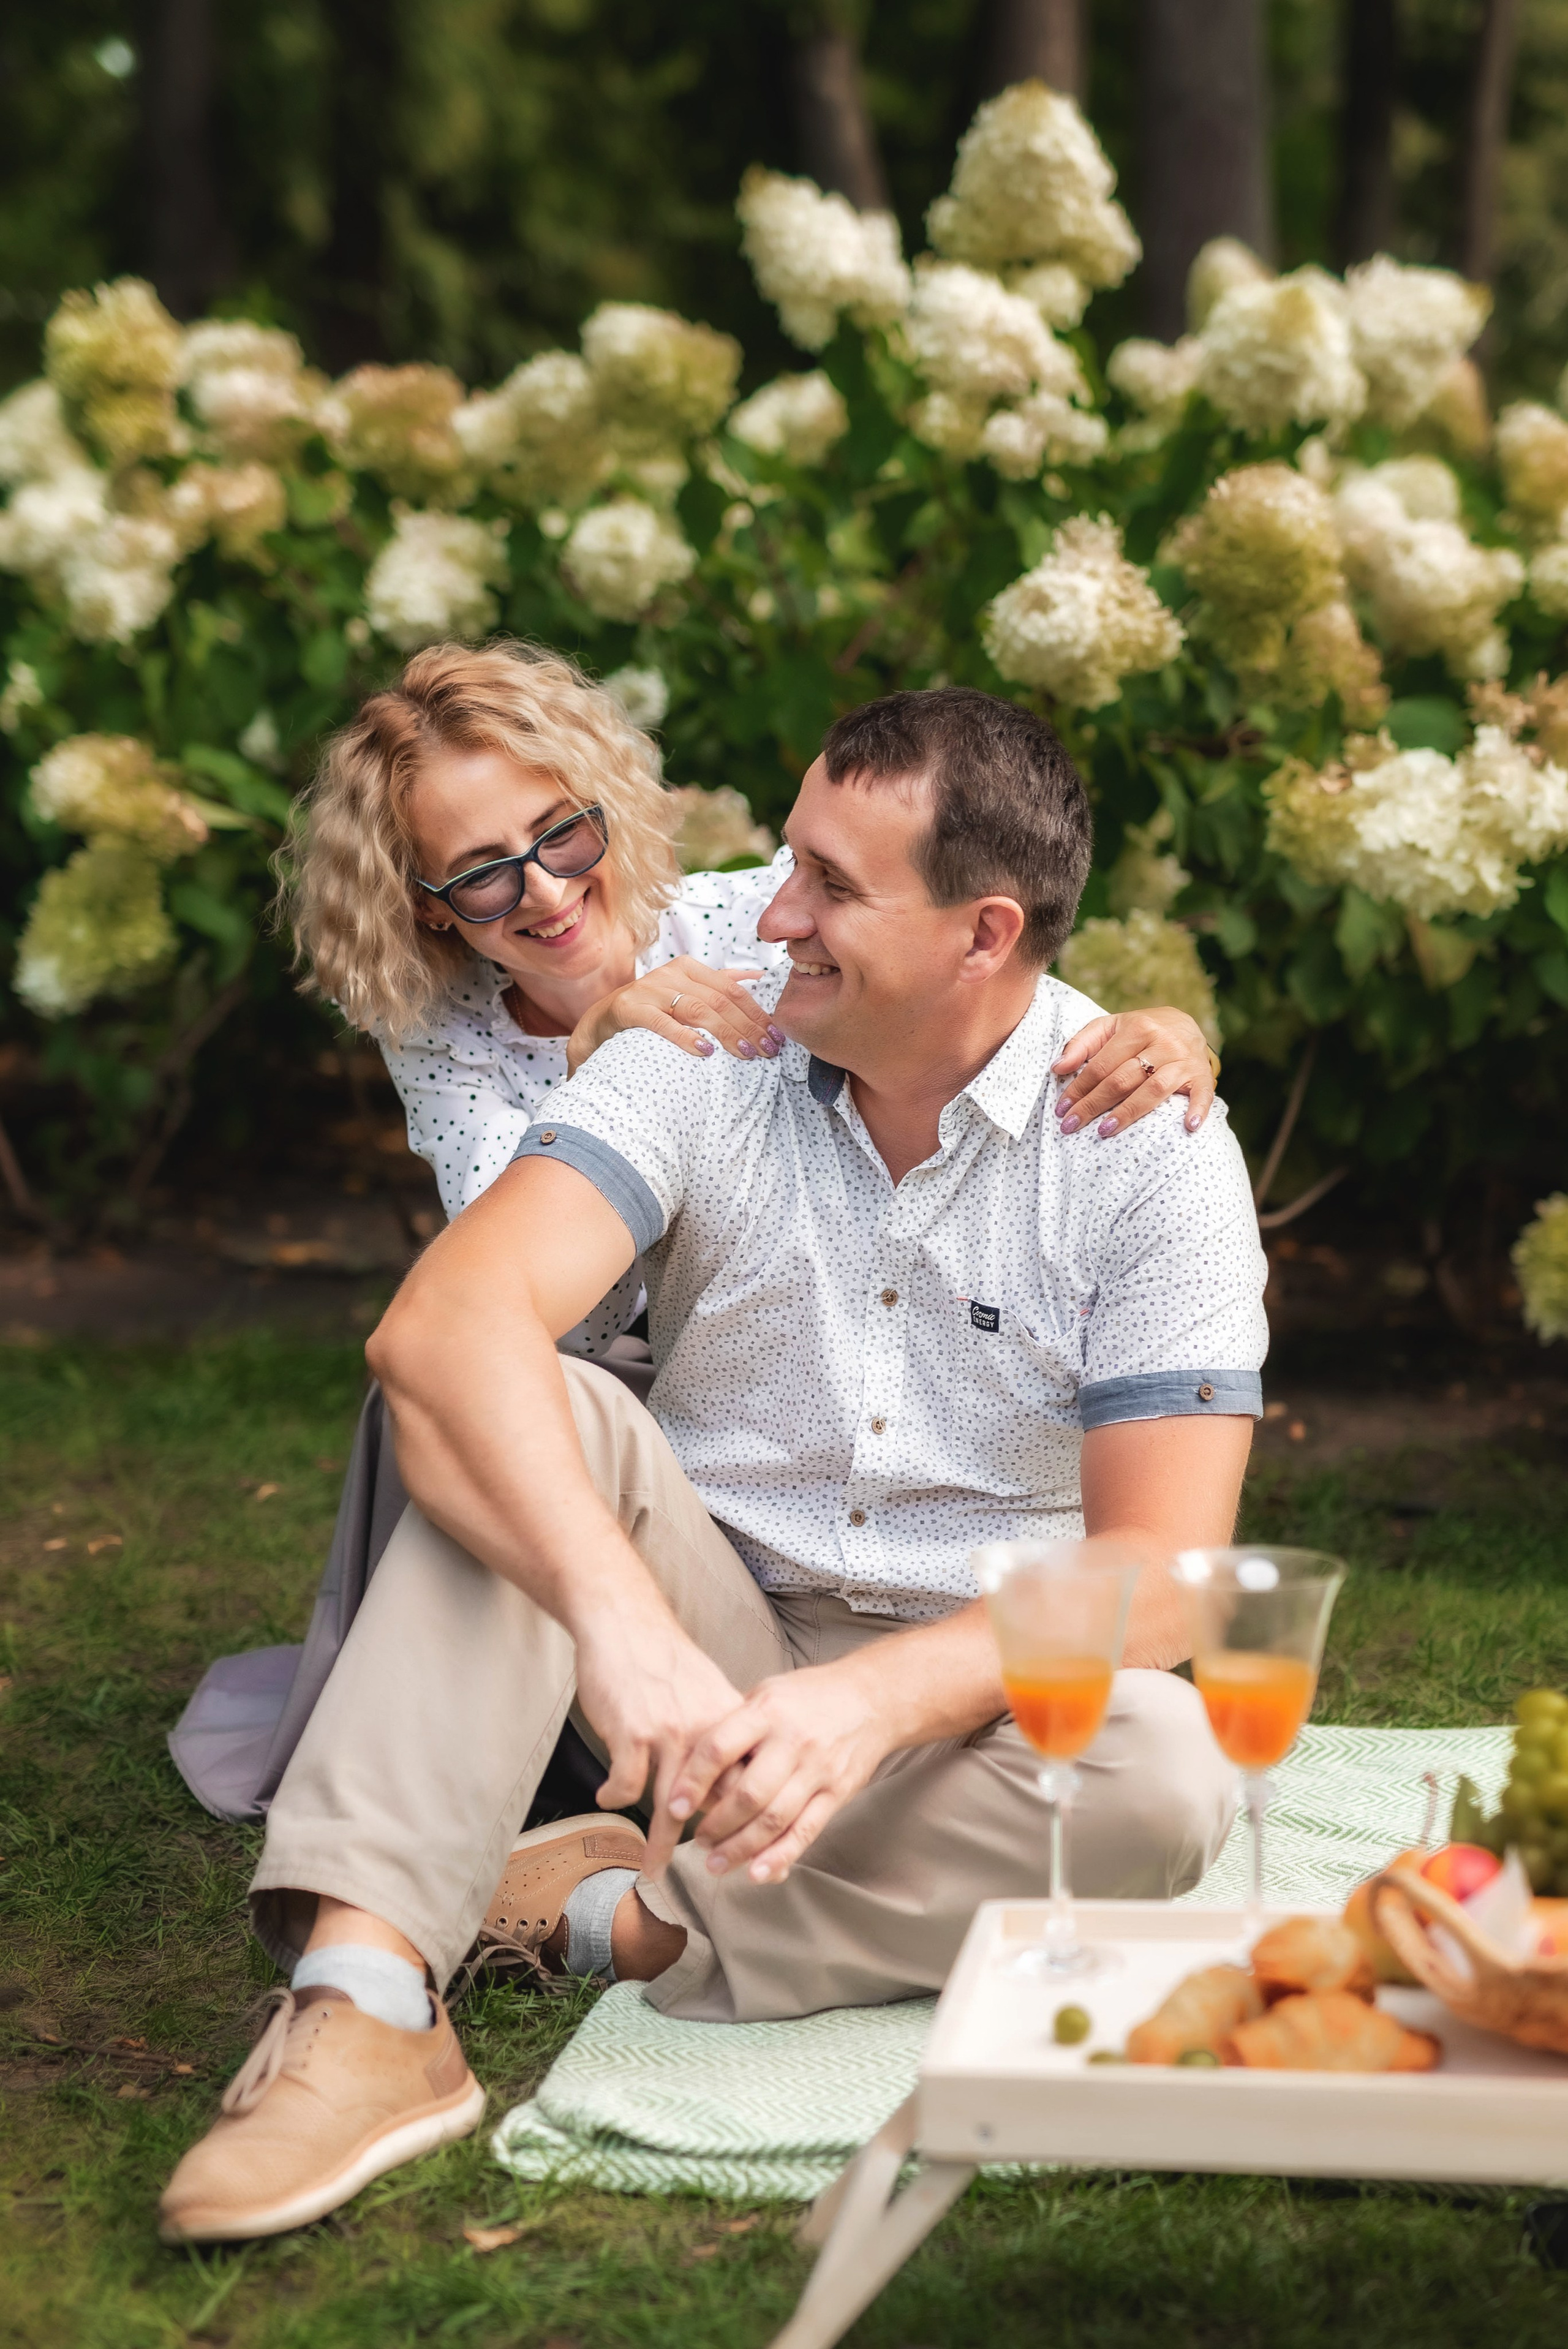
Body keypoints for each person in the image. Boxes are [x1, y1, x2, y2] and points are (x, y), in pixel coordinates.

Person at [159, 682, 1267, 2246]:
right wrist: (619, 1627)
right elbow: (443, 1329)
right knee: (537, 1400)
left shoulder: (1146, 1149)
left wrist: (869, 1702)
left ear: (982, 933)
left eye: (825, 886)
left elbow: (1163, 1576)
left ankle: (623, 1920)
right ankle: (363, 1998)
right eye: (787, 867)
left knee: (1162, 1773)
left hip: (979, 1688)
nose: (772, 917)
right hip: (698, 1630)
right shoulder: (701, 1044)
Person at [167, 641, 1219, 1822]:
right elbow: (516, 1302)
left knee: (1166, 1773)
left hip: (767, 1358)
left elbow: (980, 953)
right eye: (483, 878)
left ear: (602, 812)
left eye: (559, 838)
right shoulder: (449, 1035)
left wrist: (1172, 1033)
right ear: (429, 908)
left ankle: (612, 1907)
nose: (547, 894)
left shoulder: (749, 928)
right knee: (477, 1392)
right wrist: (592, 1067)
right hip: (614, 1388)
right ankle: (455, 1833)